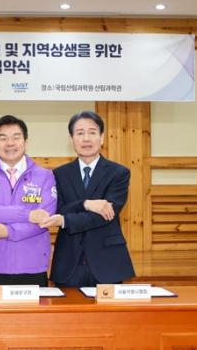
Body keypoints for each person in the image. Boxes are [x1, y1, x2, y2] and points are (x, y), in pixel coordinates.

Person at [37, 110, 135, 287]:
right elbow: (58, 209)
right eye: (80, 133)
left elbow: (106, 214)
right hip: (68, 262)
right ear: (71, 139)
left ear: (102, 138)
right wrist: (86, 204)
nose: (86, 139)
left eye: (92, 132)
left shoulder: (119, 173)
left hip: (107, 262)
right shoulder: (59, 174)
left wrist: (66, 220)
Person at [0, 115, 57, 286]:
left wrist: (8, 232)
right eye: (3, 138)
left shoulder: (45, 176)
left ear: (26, 141)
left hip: (32, 265)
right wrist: (28, 215)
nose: (10, 143)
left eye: (16, 137)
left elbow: (45, 218)